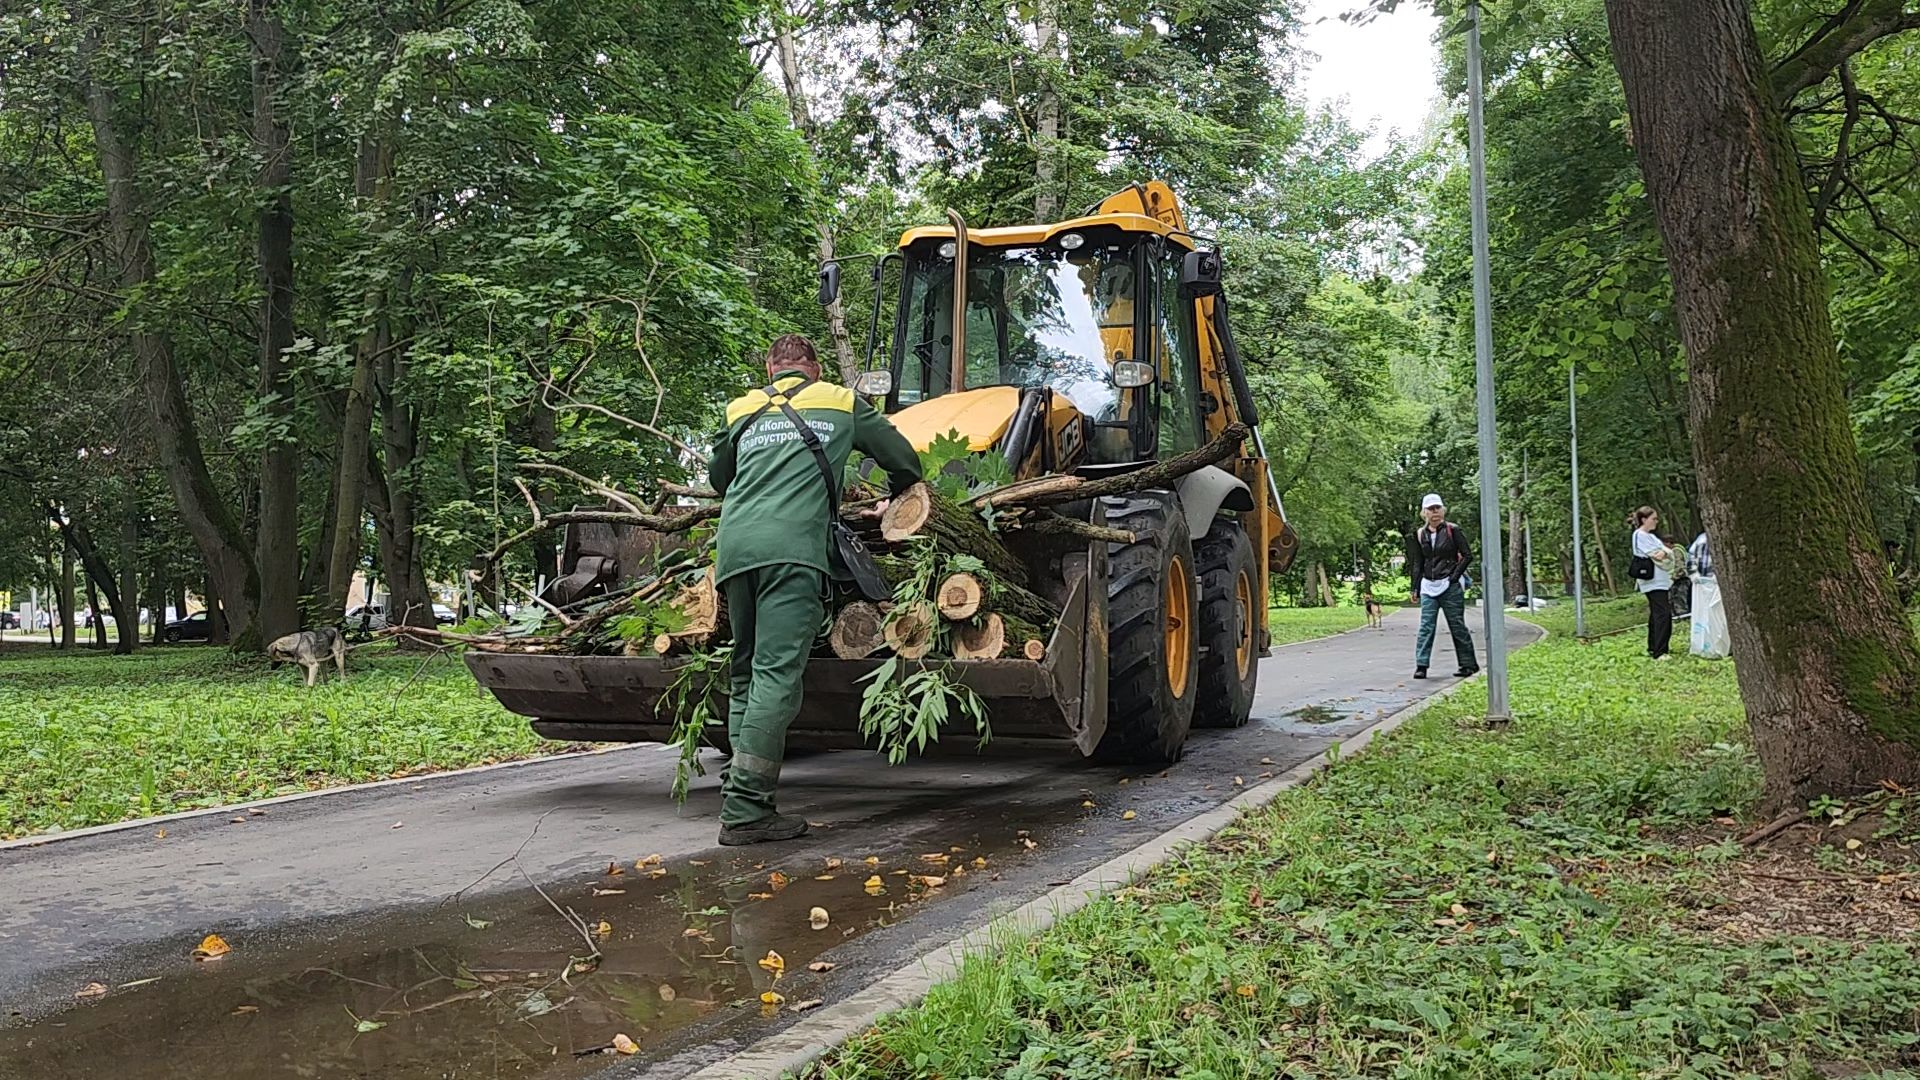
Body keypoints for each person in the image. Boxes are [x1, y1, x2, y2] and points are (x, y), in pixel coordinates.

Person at [707, 334, 924, 845]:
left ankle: (738, 790)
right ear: (815, 368)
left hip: (735, 552)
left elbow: (721, 478)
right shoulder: (841, 400)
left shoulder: (741, 408)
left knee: (746, 672)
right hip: (794, 551)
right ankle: (746, 812)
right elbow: (902, 459)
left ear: (770, 368)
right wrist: (898, 491)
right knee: (776, 676)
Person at [1407, 493, 1479, 680]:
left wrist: (1454, 577)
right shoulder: (1420, 534)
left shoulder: (1453, 530)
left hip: (1450, 585)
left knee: (1457, 625)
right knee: (1426, 626)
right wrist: (1414, 587)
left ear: (1443, 510)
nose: (1435, 512)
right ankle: (1421, 665)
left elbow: (1467, 555)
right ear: (1424, 513)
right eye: (1430, 509)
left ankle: (1468, 664)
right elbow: (1418, 562)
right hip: (1428, 586)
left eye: (1437, 508)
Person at [1631, 506, 1674, 658]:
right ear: (1644, 519)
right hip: (1652, 581)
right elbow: (1658, 555)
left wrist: (1665, 552)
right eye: (1653, 519)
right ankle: (1660, 650)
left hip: (1662, 580)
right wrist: (1664, 553)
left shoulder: (1652, 537)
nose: (1656, 522)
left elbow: (1668, 551)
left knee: (1657, 613)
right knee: (1663, 613)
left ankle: (1654, 646)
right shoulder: (1640, 535)